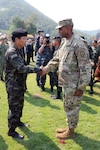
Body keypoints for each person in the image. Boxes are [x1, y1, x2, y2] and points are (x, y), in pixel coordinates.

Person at [40, 19, 91, 139]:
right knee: (67, 106)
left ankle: (71, 131)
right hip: (66, 82)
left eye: (61, 28)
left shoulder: (78, 43)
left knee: (73, 107)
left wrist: (82, 87)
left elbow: (85, 67)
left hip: (74, 84)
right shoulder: (64, 42)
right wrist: (45, 69)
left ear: (68, 28)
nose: (59, 31)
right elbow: (56, 59)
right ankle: (69, 127)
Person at [5, 28, 42, 139]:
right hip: (13, 85)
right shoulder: (12, 52)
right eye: (24, 39)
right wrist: (38, 70)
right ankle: (11, 131)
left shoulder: (19, 49)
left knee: (19, 105)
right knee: (14, 107)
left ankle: (18, 122)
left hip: (19, 84)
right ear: (17, 39)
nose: (26, 41)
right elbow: (21, 68)